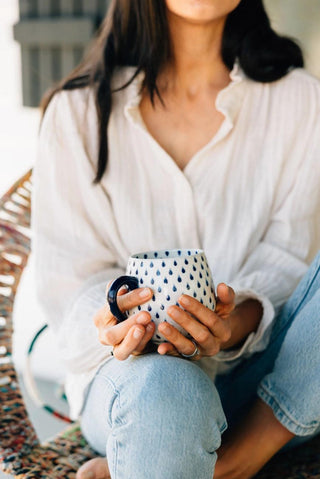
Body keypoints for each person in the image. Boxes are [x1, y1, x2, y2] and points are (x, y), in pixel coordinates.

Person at [31, 0, 320, 478]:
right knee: (165, 389)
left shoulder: (300, 102)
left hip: (268, 383)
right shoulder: (77, 113)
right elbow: (71, 282)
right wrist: (116, 323)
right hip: (133, 382)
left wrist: (233, 325)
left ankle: (233, 462)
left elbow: (289, 264)